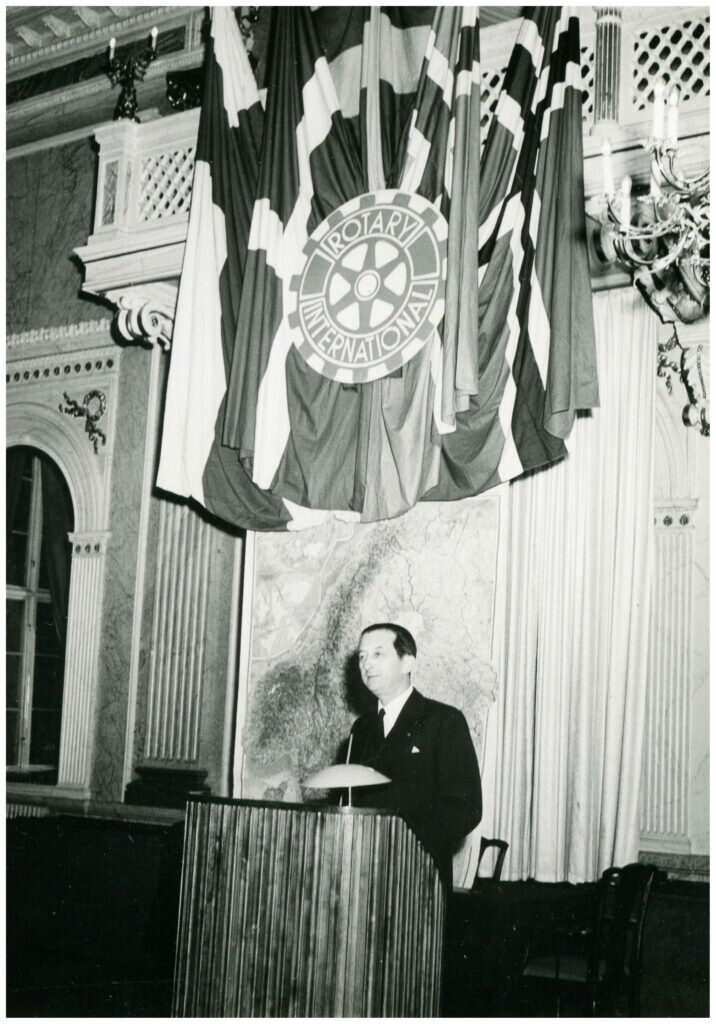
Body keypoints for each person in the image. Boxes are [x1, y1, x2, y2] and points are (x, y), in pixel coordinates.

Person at [346, 622, 482, 887]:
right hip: (362, 877)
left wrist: (403, 840)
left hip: (418, 877)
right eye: (362, 657)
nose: (366, 664)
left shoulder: (444, 721)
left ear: (408, 663)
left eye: (377, 654)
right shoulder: (361, 729)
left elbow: (465, 808)